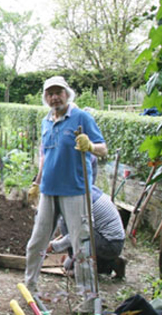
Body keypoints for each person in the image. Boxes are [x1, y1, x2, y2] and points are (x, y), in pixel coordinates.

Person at [24, 76, 108, 310]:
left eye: (58, 92)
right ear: (45, 98)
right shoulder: (46, 121)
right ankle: (30, 286)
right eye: (49, 94)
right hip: (48, 192)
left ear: (67, 93)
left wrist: (91, 146)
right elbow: (45, 156)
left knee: (82, 247)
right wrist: (37, 182)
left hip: (75, 191)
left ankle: (90, 301)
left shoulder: (81, 117)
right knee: (36, 243)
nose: (54, 97)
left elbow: (103, 148)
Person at [48, 185, 126, 279]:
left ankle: (112, 263)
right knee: (67, 265)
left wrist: (53, 246)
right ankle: (76, 258)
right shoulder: (81, 187)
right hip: (102, 237)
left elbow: (80, 233)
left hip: (110, 244)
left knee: (73, 269)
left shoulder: (80, 201)